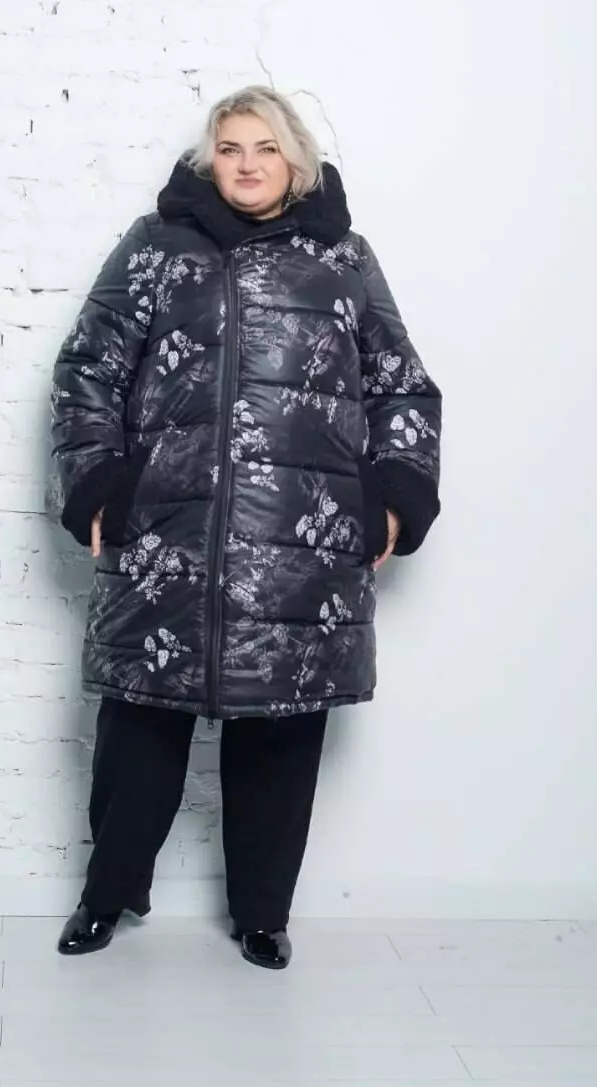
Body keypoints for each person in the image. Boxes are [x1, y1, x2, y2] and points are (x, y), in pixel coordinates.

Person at [50, 86, 442, 969]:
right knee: (138, 728)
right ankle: (106, 895)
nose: (247, 164)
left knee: (280, 733)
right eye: (229, 148)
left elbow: (401, 385)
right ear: (209, 160)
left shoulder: (342, 256)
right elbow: (88, 369)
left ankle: (263, 914)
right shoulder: (156, 247)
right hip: (167, 536)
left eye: (265, 147)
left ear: (293, 160)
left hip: (300, 543)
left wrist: (395, 494)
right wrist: (98, 483)